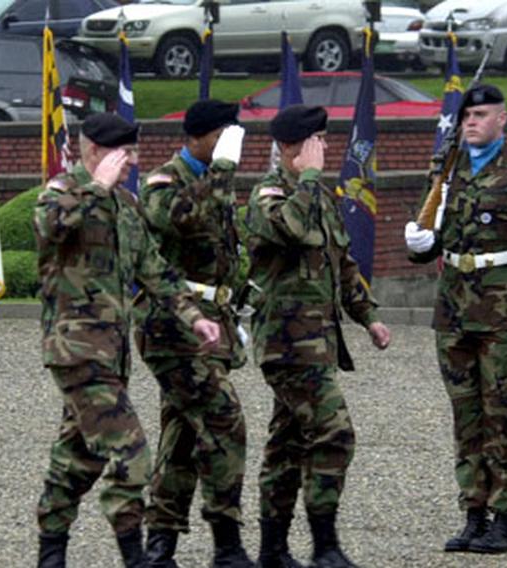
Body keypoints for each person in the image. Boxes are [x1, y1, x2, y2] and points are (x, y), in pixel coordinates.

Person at [32, 113, 222, 568]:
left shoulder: (126, 205)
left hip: (111, 355)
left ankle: (50, 555)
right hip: (76, 350)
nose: (133, 162)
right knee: (130, 451)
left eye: (134, 152)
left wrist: (195, 316)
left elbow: (154, 269)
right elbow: (52, 229)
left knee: (76, 458)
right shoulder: (60, 194)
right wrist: (95, 187)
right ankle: (136, 559)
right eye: (125, 153)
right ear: (95, 151)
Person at [404, 84, 507, 555]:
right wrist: (423, 246)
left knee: (505, 414)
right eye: (466, 116)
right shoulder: (447, 165)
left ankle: (504, 517)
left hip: (504, 308)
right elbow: (435, 231)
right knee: (466, 415)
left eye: (479, 114)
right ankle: (473, 511)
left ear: (501, 118)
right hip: (454, 306)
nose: (470, 122)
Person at [244, 103, 391, 568]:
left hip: (317, 345)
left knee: (287, 446)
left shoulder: (321, 197)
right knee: (334, 433)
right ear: (291, 148)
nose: (326, 149)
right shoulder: (268, 195)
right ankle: (325, 547)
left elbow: (341, 263)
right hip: (286, 346)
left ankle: (273, 550)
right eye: (318, 141)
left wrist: (368, 317)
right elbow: (291, 229)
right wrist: (307, 178)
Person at [136, 99, 252, 567]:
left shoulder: (211, 181)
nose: (229, 145)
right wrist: (223, 168)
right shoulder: (164, 181)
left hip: (211, 324)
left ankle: (160, 542)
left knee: (184, 431)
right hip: (171, 324)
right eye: (223, 135)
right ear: (201, 136)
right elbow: (181, 220)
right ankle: (226, 542)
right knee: (224, 419)